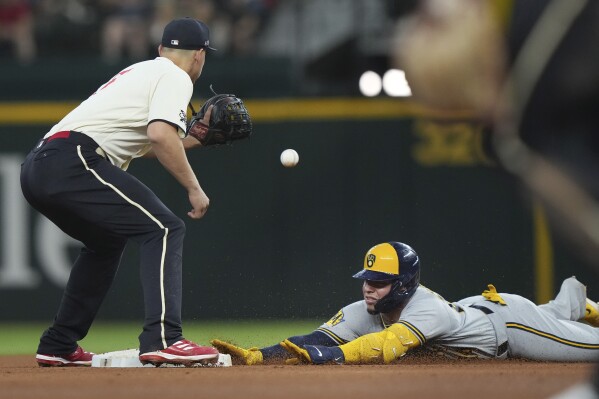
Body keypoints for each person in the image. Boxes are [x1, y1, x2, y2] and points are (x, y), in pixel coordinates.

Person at [21, 17, 221, 367]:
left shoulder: (146, 70)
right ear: (200, 56)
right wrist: (194, 188)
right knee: (163, 228)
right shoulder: (176, 76)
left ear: (161, 49)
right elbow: (160, 136)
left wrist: (196, 138)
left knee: (106, 243)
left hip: (41, 166)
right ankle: (164, 339)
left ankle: (59, 343)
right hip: (73, 160)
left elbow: (145, 143)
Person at [212, 241, 599, 365]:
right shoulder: (367, 308)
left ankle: (575, 307)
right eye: (367, 280)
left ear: (403, 284)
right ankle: (574, 301)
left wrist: (323, 357)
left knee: (589, 350)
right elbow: (318, 336)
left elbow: (384, 347)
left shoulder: (424, 307)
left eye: (379, 283)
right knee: (560, 316)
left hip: (510, 325)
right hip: (476, 310)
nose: (368, 289)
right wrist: (262, 356)